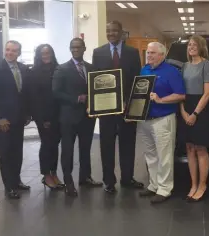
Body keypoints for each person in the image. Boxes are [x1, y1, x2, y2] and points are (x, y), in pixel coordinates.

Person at [92, 20, 143, 194]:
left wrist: (130, 103)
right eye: (108, 30)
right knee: (106, 145)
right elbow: (96, 81)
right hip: (106, 110)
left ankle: (127, 178)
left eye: (114, 30)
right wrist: (95, 105)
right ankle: (109, 181)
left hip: (128, 108)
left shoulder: (133, 52)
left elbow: (136, 80)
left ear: (122, 32)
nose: (111, 33)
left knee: (128, 144)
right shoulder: (98, 53)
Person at [53, 38, 102, 197]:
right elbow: (56, 92)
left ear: (84, 48)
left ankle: (85, 177)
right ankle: (68, 182)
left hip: (87, 116)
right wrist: (76, 99)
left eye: (78, 47)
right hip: (68, 118)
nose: (76, 50)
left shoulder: (91, 68)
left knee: (85, 148)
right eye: (73, 47)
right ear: (70, 49)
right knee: (67, 150)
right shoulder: (62, 69)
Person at [138, 42, 186, 204]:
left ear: (162, 55)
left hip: (163, 119)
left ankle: (164, 189)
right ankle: (154, 184)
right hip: (145, 119)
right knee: (150, 155)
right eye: (148, 53)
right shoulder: (144, 69)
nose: (149, 55)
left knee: (164, 156)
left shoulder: (171, 72)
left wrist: (160, 100)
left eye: (152, 53)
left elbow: (180, 95)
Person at [0, 40, 31, 199]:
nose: (10, 53)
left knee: (17, 152)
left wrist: (27, 114)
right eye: (8, 50)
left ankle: (17, 180)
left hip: (19, 119)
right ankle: (9, 186)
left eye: (14, 50)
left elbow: (24, 94)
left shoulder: (23, 69)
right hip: (3, 120)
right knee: (5, 153)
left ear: (19, 53)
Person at [180, 35, 209, 202]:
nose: (191, 47)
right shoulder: (184, 66)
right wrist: (183, 112)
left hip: (200, 109)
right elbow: (180, 92)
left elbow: (207, 93)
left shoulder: (207, 65)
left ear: (201, 47)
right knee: (189, 149)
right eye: (189, 45)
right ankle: (193, 185)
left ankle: (202, 185)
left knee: (201, 149)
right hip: (185, 107)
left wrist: (195, 114)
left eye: (194, 45)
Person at [29, 44, 64, 190]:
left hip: (58, 114)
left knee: (55, 144)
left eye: (48, 52)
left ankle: (54, 173)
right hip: (44, 117)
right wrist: (43, 119)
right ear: (38, 55)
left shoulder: (58, 69)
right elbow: (34, 98)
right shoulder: (34, 72)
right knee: (46, 144)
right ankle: (46, 175)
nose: (46, 55)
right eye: (43, 53)